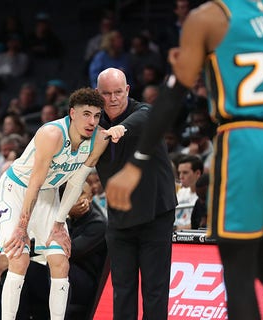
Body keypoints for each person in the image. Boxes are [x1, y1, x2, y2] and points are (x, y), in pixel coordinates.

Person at [105, 1, 263, 319]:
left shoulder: (207, 17)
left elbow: (172, 96)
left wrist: (136, 163)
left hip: (245, 139)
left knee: (238, 275)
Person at [0, 88, 120, 320]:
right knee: (19, 257)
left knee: (60, 260)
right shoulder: (52, 134)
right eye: (86, 114)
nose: (92, 121)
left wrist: (59, 223)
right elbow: (34, 182)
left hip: (48, 193)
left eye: (96, 115)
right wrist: (22, 227)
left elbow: (76, 182)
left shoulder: (99, 138)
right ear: (72, 113)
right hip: (17, 190)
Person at [95, 67, 177, 319]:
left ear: (127, 90)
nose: (113, 98)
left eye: (118, 92)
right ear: (98, 94)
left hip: (155, 214)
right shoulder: (94, 123)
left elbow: (148, 117)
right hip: (119, 219)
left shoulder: (141, 112)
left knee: (154, 289)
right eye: (106, 94)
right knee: (122, 289)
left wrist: (121, 129)